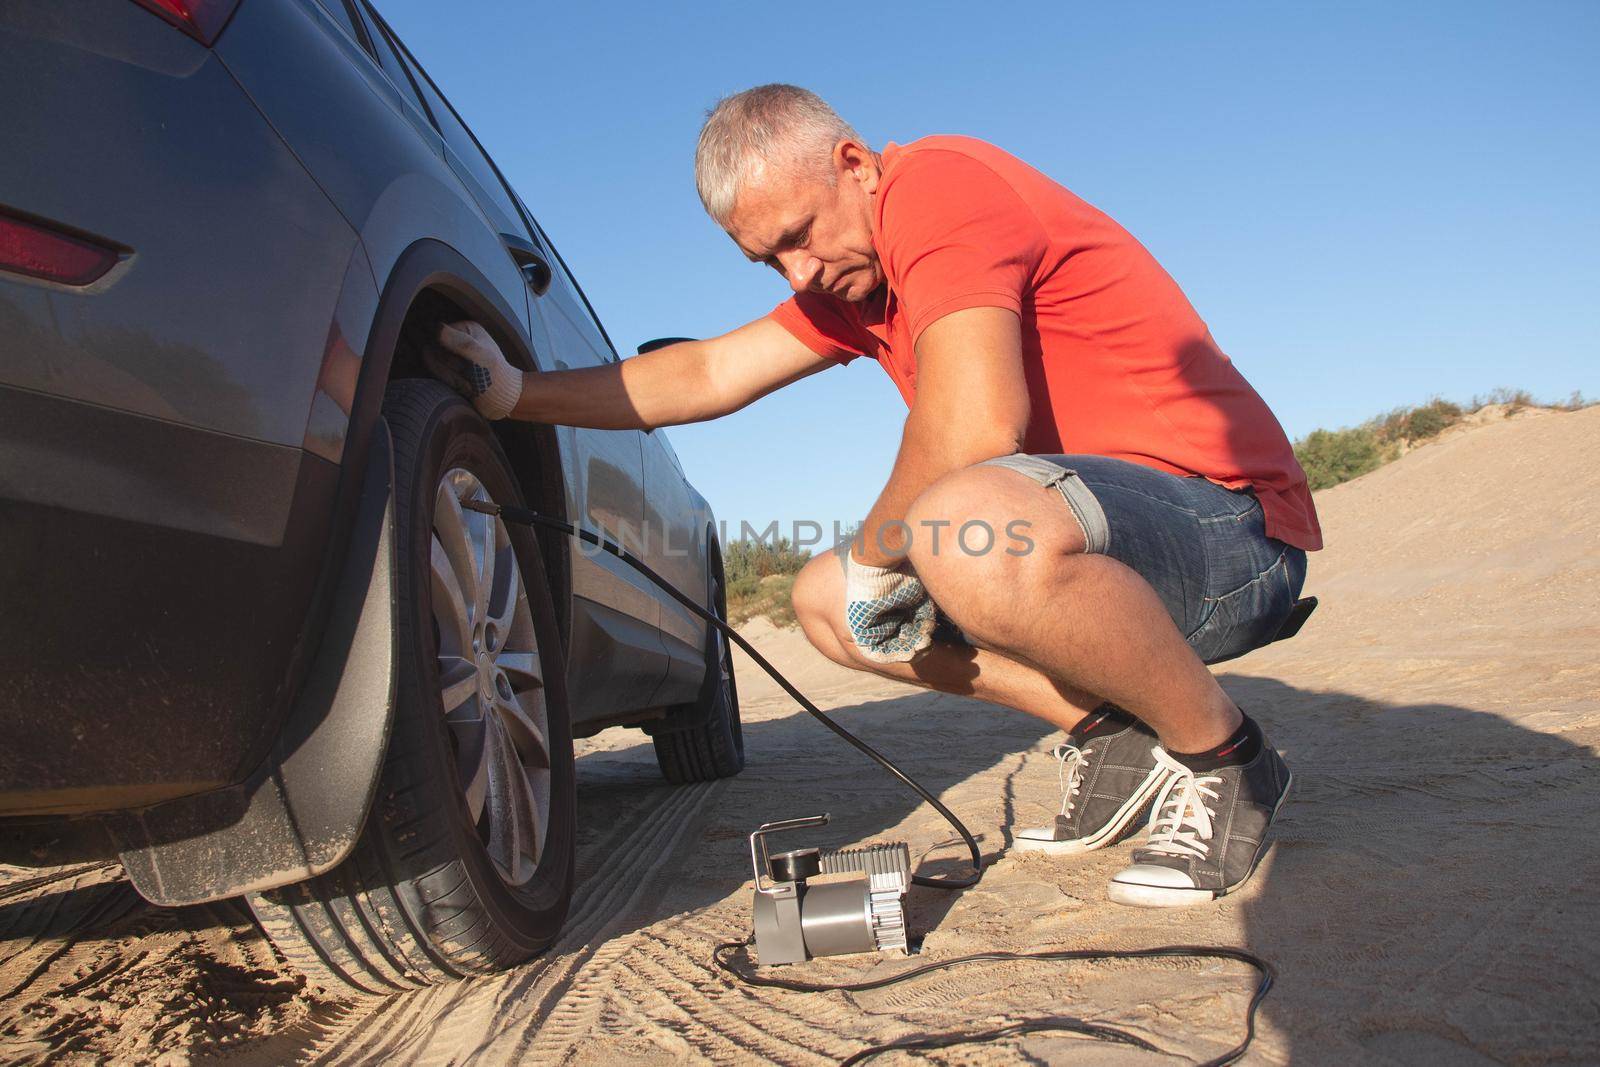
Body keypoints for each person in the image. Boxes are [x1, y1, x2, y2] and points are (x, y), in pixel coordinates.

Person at [426, 84, 1320, 908]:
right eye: (768, 259)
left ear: (855, 164)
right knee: (824, 603)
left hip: (1229, 527)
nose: (799, 274)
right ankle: (1111, 738)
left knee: (964, 522)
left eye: (801, 234)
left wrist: (873, 556)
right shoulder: (851, 282)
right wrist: (515, 393)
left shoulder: (938, 188)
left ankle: (1225, 756)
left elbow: (974, 429)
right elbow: (706, 370)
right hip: (1101, 539)